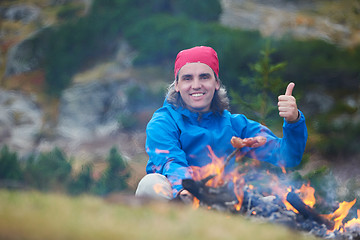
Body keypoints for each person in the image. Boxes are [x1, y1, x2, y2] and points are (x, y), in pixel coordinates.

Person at [135, 46, 307, 201]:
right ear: (177, 85)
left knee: (272, 202)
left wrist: (293, 121)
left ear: (216, 83)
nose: (196, 85)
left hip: (221, 200)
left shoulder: (235, 125)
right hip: (178, 198)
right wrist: (189, 190)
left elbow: (287, 156)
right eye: (187, 78)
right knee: (150, 184)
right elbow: (170, 161)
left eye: (204, 77)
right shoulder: (163, 122)